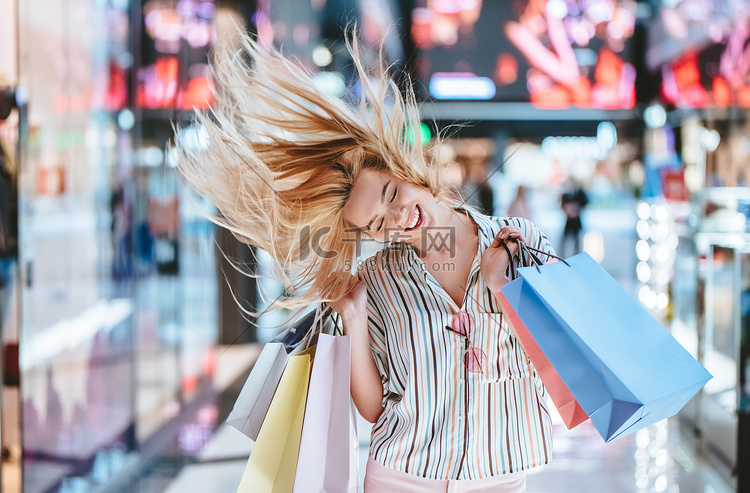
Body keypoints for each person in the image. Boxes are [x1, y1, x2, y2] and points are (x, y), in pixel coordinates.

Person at [177, 29, 555, 492]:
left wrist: (503, 294)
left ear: (400, 166)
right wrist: (355, 319)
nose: (397, 218)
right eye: (377, 225)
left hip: (501, 473)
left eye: (391, 194)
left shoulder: (520, 244)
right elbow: (375, 408)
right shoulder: (377, 279)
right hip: (402, 476)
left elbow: (558, 361)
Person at [559, 178, 588, 258]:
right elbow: (562, 205)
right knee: (564, 241)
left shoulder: (579, 194)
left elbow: (584, 203)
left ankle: (577, 256)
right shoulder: (566, 195)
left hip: (576, 221)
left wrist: (577, 209)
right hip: (569, 221)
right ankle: (562, 257)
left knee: (577, 242)